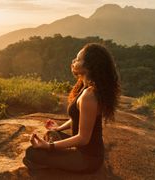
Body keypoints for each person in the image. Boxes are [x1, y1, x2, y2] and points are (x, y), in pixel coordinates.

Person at [23, 43, 121, 174]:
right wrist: (58, 128)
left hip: (87, 159)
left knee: (31, 153)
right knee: (51, 134)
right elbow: (78, 118)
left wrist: (49, 146)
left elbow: (83, 138)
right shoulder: (85, 87)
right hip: (80, 150)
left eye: (78, 59)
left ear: (88, 66)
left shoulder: (90, 95)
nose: (73, 61)